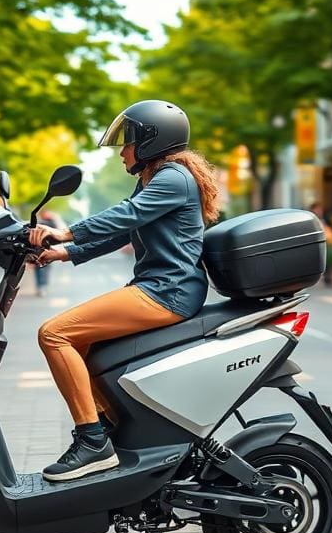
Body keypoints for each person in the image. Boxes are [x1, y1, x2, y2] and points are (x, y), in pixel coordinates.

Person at [28, 100, 220, 482]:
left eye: (128, 142)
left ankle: (93, 440)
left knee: (54, 334)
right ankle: (108, 431)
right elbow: (122, 230)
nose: (122, 151)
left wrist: (67, 231)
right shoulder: (154, 177)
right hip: (161, 288)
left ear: (152, 141)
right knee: (80, 346)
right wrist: (63, 252)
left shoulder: (172, 177)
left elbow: (126, 216)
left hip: (168, 291)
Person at [33, 209, 64, 297]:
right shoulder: (50, 223)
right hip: (45, 249)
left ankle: (42, 286)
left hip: (42, 249)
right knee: (43, 268)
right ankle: (42, 286)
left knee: (41, 268)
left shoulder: (41, 223)